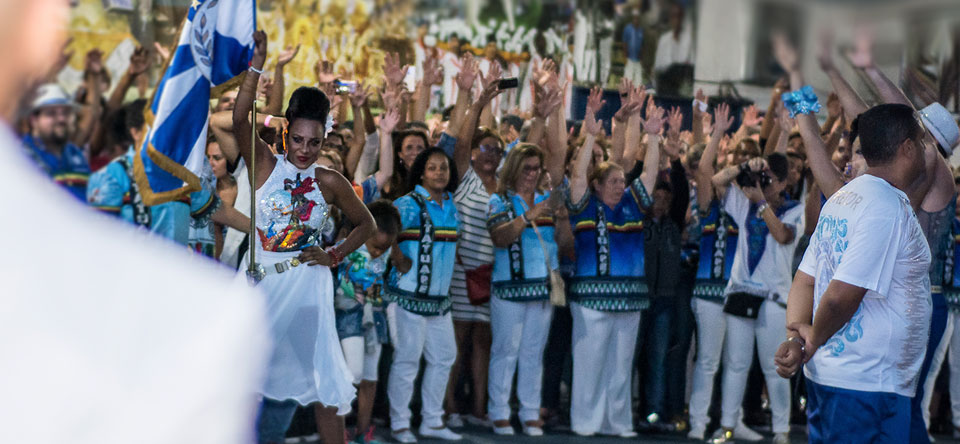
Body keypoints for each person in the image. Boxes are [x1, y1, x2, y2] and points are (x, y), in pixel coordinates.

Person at [0, 1, 268, 443]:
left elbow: (216, 210)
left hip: (168, 312)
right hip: (111, 315)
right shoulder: (108, 181)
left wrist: (260, 230)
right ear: (141, 132)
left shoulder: (186, 185)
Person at [233, 30, 376, 444]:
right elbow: (240, 118)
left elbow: (366, 223)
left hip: (307, 286)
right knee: (242, 377)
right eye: (297, 139)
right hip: (260, 283)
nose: (305, 150)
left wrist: (333, 254)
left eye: (315, 142)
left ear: (325, 137)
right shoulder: (263, 164)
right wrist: (255, 65)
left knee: (324, 384)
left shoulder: (329, 180)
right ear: (284, 133)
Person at [776, 103, 933, 443]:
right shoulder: (884, 207)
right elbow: (840, 295)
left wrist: (796, 337)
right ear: (906, 148)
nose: (924, 149)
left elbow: (805, 279)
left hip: (856, 380)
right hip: (864, 387)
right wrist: (811, 341)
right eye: (920, 142)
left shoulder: (843, 199)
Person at [565, 88, 663, 438]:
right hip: (591, 299)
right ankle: (586, 422)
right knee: (590, 364)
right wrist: (590, 137)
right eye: (615, 181)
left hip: (630, 298)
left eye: (623, 181)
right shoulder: (584, 205)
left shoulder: (633, 204)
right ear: (598, 184)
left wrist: (653, 138)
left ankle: (617, 422)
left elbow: (649, 176)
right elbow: (576, 178)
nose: (621, 185)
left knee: (622, 367)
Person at [710, 151, 803, 444]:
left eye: (770, 180)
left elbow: (783, 236)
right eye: (762, 179)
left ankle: (781, 431)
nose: (764, 185)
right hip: (741, 292)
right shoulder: (745, 202)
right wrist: (743, 167)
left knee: (774, 367)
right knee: (736, 364)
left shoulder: (795, 209)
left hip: (774, 299)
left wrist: (761, 202)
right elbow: (716, 180)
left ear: (784, 182)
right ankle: (728, 425)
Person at [485, 144, 567, 436]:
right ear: (515, 169)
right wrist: (527, 216)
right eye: (527, 168)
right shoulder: (499, 201)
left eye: (536, 168)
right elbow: (499, 237)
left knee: (533, 353)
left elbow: (564, 244)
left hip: (542, 289)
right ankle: (499, 411)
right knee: (505, 351)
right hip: (509, 287)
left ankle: (531, 411)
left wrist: (563, 218)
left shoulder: (547, 200)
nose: (532, 174)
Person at [386, 147, 463, 443]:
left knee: (444, 357)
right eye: (432, 168)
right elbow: (384, 230)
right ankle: (400, 423)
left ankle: (432, 420)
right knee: (407, 361)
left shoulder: (451, 204)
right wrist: (398, 259)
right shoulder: (408, 204)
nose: (440, 173)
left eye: (444, 168)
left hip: (439, 301)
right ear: (420, 173)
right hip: (407, 296)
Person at [334, 200, 401, 444]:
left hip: (376, 316)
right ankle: (336, 431)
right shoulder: (348, 245)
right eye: (375, 246)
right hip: (350, 313)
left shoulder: (388, 251)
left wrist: (394, 252)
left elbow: (398, 271)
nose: (377, 253)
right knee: (352, 372)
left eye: (384, 248)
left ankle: (363, 433)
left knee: (370, 377)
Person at [22, 83, 89, 201]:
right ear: (33, 120)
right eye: (51, 113)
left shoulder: (75, 153)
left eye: (66, 113)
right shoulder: (20, 156)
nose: (61, 119)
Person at [622, 8, 644, 86]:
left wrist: (641, 58)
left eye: (637, 18)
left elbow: (642, 45)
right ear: (633, 18)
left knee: (638, 82)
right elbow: (624, 43)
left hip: (638, 60)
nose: (636, 20)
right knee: (628, 80)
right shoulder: (627, 29)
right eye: (635, 18)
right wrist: (625, 57)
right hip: (629, 58)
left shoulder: (641, 30)